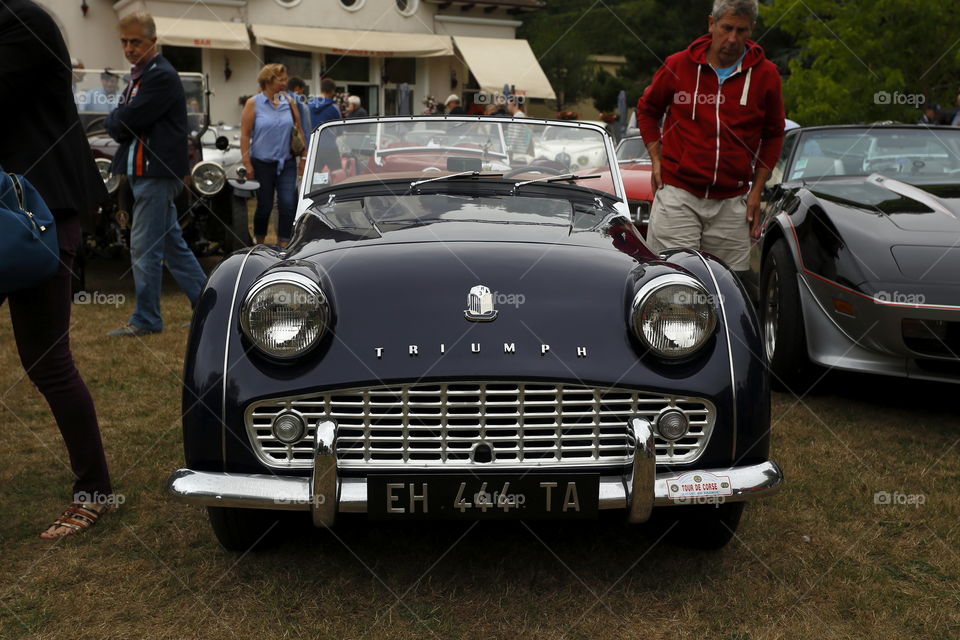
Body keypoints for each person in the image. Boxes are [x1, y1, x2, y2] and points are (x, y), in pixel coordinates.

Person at [0, 0, 115, 539]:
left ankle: (94, 491)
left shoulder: (22, 22)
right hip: (17, 212)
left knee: (47, 361)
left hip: (35, 218)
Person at [636, 0, 783, 277]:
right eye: (727, 28)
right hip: (679, 194)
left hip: (732, 198)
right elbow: (647, 110)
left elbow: (774, 133)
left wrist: (756, 190)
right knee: (673, 277)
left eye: (741, 30)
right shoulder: (678, 65)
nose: (732, 38)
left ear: (752, 29)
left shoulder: (766, 75)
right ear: (711, 24)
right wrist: (656, 160)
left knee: (729, 283)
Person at [104, 11, 209, 337]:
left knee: (144, 247)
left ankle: (146, 320)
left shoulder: (159, 75)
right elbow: (122, 119)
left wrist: (119, 118)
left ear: (153, 41)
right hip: (145, 171)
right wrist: (120, 118)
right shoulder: (142, 75)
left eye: (136, 41)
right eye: (124, 42)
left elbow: (123, 121)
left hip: (155, 173)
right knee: (173, 247)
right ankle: (211, 310)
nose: (129, 48)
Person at [240, 63, 305, 247]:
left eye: (285, 79)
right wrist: (247, 163)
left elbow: (298, 130)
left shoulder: (289, 102)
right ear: (268, 80)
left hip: (287, 162)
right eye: (281, 79)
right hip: (262, 163)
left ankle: (284, 244)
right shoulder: (253, 103)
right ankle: (259, 242)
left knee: (288, 204)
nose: (285, 83)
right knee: (264, 206)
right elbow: (245, 134)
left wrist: (304, 157)